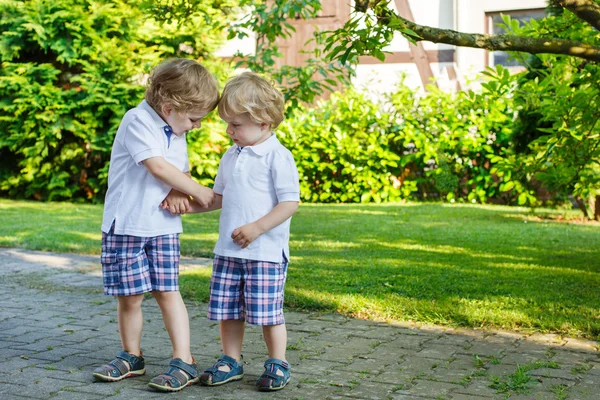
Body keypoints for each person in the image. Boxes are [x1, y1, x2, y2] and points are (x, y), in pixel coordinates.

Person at [92, 58, 219, 393]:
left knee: (167, 291)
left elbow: (180, 171)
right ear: (168, 107)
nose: (196, 126)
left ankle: (184, 360)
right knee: (130, 297)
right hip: (128, 226)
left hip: (162, 226)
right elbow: (158, 167)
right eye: (194, 119)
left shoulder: (176, 130)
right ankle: (132, 356)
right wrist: (199, 193)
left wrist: (182, 188)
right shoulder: (137, 121)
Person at [185, 71, 300, 391]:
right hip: (228, 251)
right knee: (229, 311)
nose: (228, 130)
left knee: (268, 313)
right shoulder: (230, 155)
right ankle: (230, 360)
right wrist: (190, 206)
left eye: (235, 124)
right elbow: (218, 198)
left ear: (263, 122)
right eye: (228, 123)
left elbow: (290, 203)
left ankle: (278, 362)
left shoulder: (278, 156)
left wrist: (257, 228)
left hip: (264, 253)